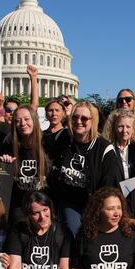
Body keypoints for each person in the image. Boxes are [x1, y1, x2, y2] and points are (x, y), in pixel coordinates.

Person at [52, 101, 117, 236]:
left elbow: (108, 187)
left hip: (95, 205)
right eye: (75, 117)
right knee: (73, 228)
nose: (78, 121)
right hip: (68, 202)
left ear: (93, 121)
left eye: (84, 118)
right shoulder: (61, 138)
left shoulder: (105, 149)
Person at [102, 109, 135, 182]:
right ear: (114, 128)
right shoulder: (107, 149)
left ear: (134, 128)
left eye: (128, 127)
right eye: (120, 126)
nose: (124, 130)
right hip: (114, 192)